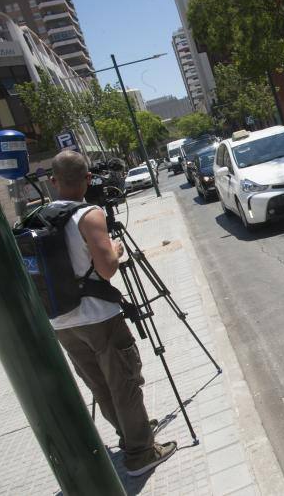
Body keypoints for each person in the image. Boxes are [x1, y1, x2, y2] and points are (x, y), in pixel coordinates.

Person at [48, 150, 176, 477]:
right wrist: (116, 251)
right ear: (88, 179)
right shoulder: (88, 214)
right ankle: (141, 453)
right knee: (125, 383)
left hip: (62, 322)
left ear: (53, 181)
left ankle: (129, 435)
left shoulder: (42, 215)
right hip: (98, 318)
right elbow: (106, 271)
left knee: (101, 386)